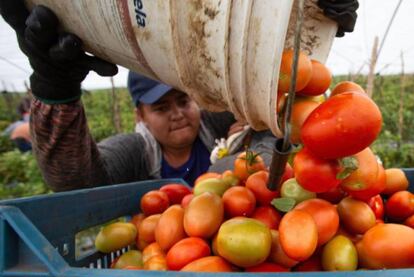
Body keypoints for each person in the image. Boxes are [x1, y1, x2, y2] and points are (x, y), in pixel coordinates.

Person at [0, 0, 358, 191]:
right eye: (160, 107)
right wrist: (54, 88)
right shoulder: (135, 154)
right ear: (140, 115)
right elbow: (75, 180)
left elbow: (273, 114)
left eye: (182, 101)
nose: (177, 113)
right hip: (169, 276)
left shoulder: (215, 121)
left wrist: (305, 33)